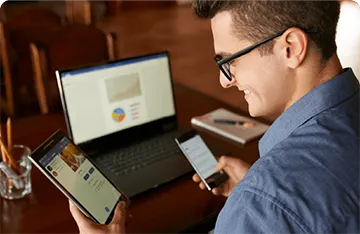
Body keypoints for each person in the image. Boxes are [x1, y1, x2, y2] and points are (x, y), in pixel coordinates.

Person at [69, 0, 360, 233]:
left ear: (291, 48)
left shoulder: (263, 202)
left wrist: (259, 200)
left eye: (229, 60)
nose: (225, 81)